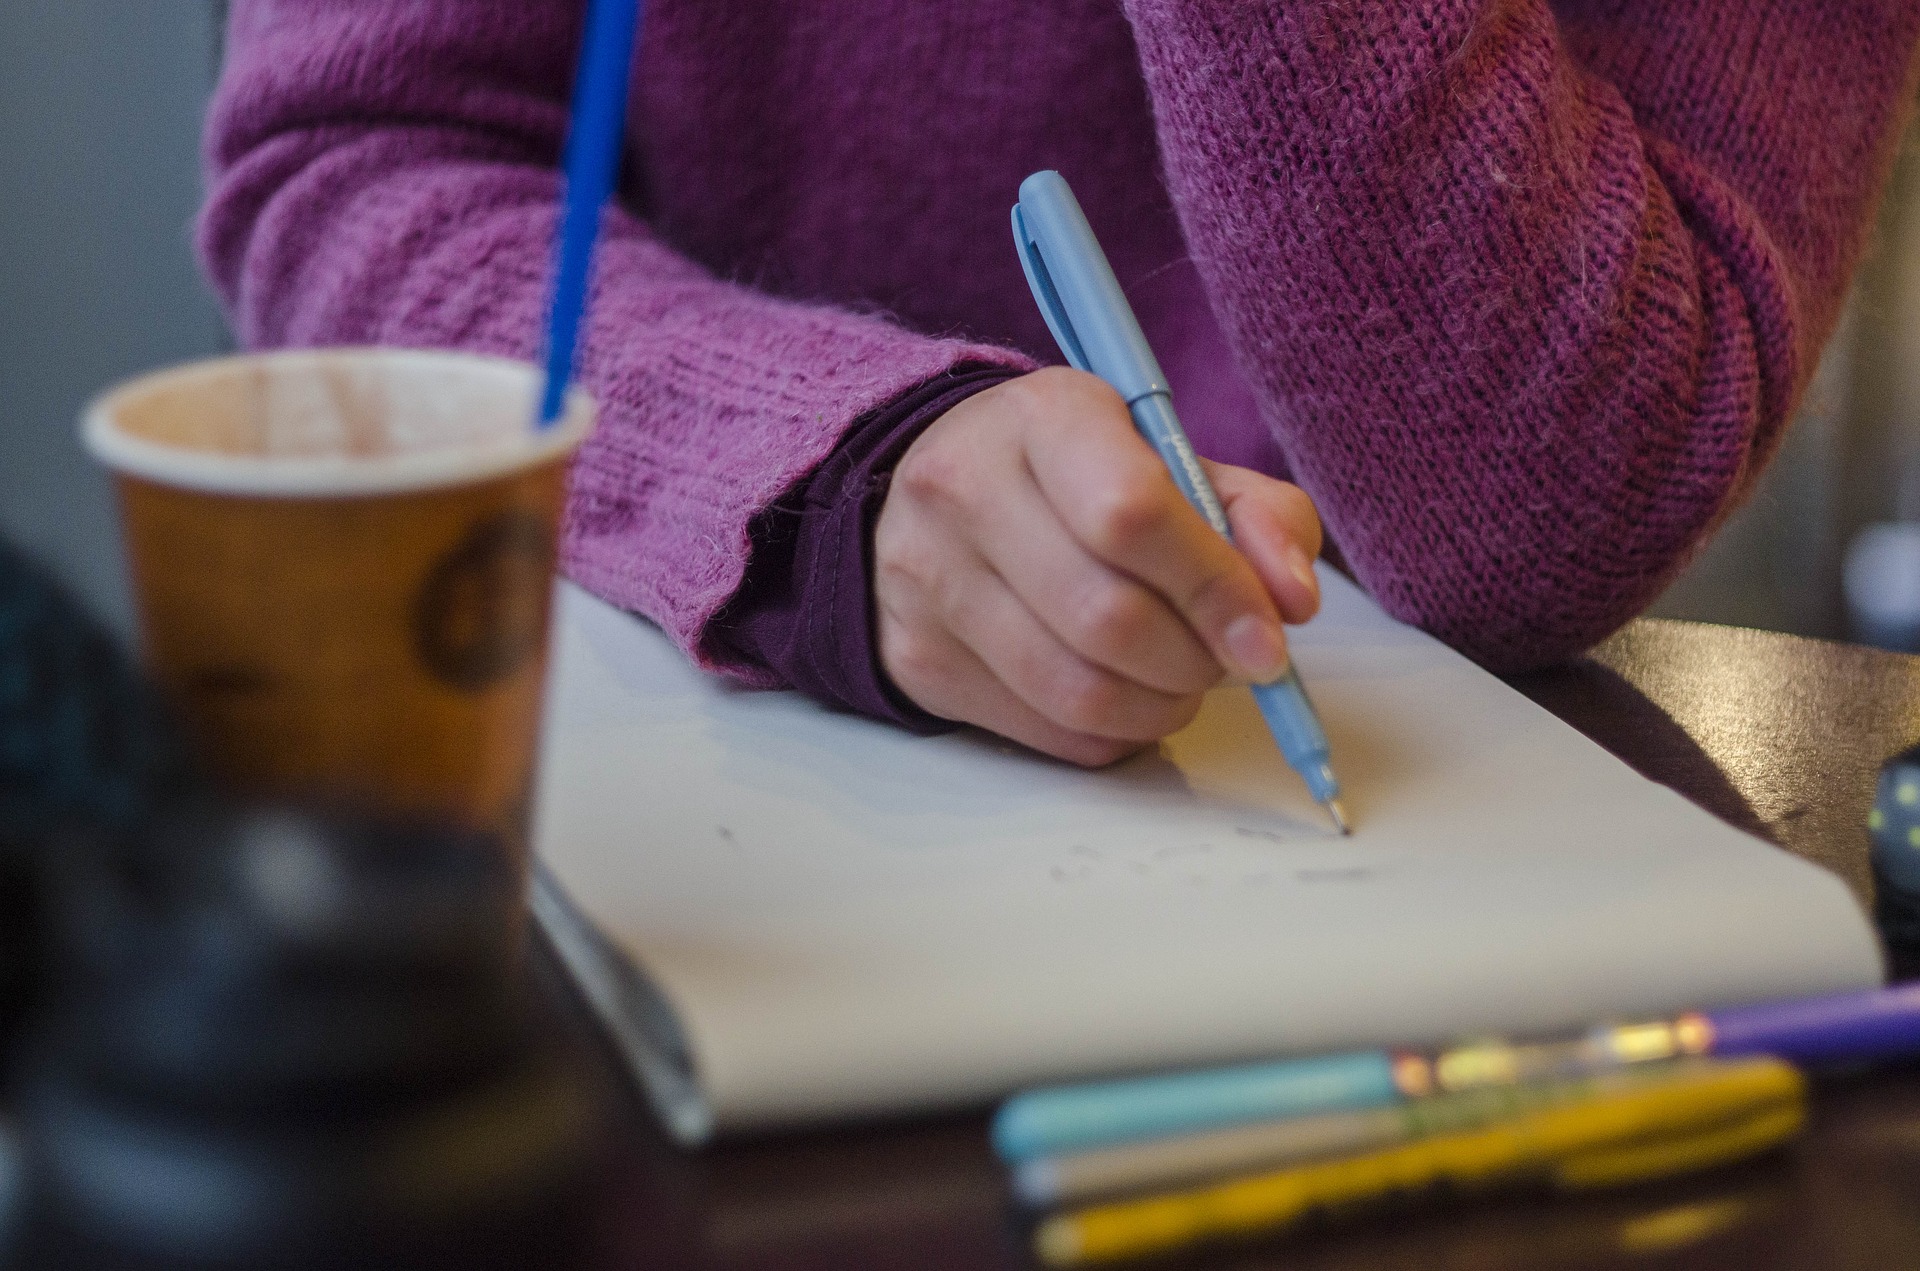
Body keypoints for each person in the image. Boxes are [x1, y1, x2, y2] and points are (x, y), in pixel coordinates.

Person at [200, 1, 1920, 765]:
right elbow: (353, 160)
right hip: (683, 801)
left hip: (1416, 857)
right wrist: (827, 465)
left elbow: (1540, 499)